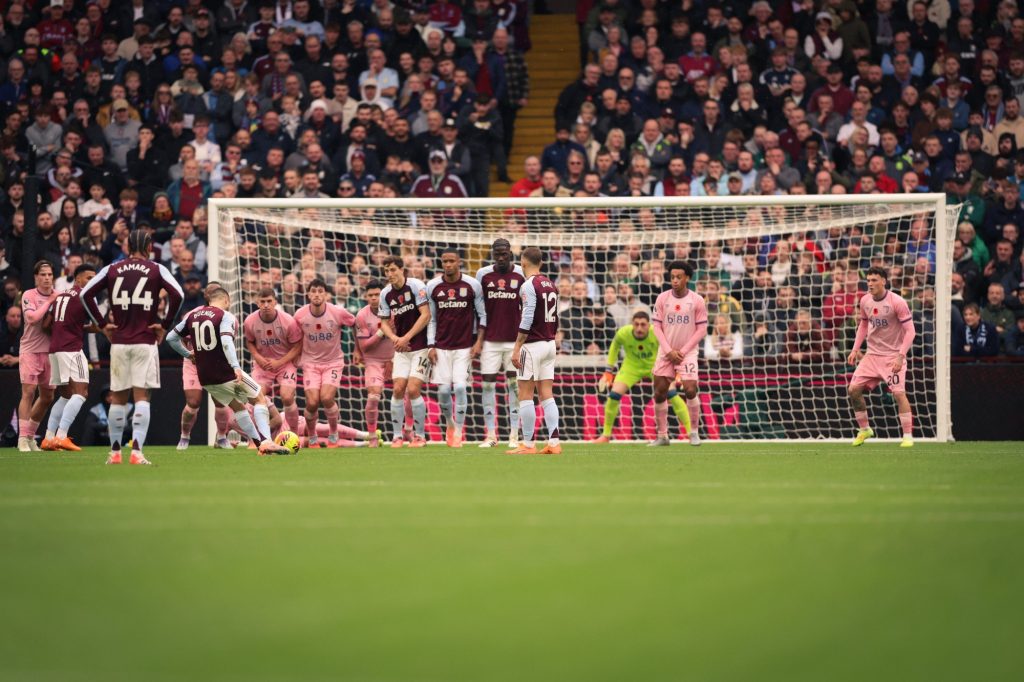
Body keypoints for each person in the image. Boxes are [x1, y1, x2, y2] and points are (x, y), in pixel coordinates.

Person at [81, 230, 184, 465]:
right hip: (145, 341)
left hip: (119, 342)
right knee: (142, 398)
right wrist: (164, 325)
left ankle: (115, 453)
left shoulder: (112, 268)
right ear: (148, 247)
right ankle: (136, 452)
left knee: (118, 398)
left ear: (128, 247)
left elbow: (86, 294)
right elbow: (178, 294)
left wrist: (102, 325)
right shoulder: (156, 269)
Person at [166, 287, 290, 456]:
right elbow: (226, 342)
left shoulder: (193, 316)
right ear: (226, 300)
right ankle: (267, 441)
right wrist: (235, 366)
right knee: (259, 399)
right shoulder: (225, 316)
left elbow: (171, 338)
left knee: (238, 407)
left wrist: (188, 354)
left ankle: (259, 444)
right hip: (226, 372)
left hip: (206, 378)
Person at [593, 310, 692, 443]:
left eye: (643, 324)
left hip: (655, 366)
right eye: (636, 324)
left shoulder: (657, 333)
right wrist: (608, 371)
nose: (639, 328)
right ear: (632, 324)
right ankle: (606, 435)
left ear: (649, 325)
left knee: (672, 394)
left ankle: (691, 432)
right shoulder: (623, 333)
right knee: (613, 395)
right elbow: (614, 347)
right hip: (631, 367)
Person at [846, 266, 917, 448]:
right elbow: (863, 325)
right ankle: (865, 429)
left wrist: (900, 356)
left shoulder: (897, 302)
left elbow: (911, 331)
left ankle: (907, 436)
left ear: (884, 281)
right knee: (853, 390)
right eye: (868, 280)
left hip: (893, 356)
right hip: (872, 355)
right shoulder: (865, 301)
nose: (870, 284)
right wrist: (855, 349)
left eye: (874, 280)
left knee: (899, 394)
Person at [426, 249, 486, 448]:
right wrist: (431, 345)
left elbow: (482, 315)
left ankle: (459, 432)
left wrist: (478, 342)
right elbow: (431, 319)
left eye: (451, 261)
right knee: (443, 391)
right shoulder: (433, 286)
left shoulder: (472, 285)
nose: (448, 264)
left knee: (460, 387)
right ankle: (450, 425)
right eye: (445, 261)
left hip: (464, 347)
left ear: (459, 262)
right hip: (441, 347)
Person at [40, 263, 99, 451]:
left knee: (65, 396)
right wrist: (81, 328)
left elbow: (46, 324)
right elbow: (98, 326)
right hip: (72, 349)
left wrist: (64, 329)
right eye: (89, 278)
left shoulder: (60, 296)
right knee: (81, 393)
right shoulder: (86, 297)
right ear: (78, 278)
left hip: (55, 349)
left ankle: (48, 438)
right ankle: (62, 436)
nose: (92, 281)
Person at [508, 246, 561, 455]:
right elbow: (555, 317)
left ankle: (529, 444)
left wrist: (517, 347)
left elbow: (527, 317)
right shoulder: (550, 284)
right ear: (541, 263)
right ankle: (554, 443)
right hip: (549, 344)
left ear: (522, 263)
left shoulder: (528, 285)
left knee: (525, 394)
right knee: (546, 393)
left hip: (532, 346)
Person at [293, 278, 357, 448]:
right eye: (313, 291)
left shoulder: (338, 312)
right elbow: (294, 336)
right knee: (312, 402)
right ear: (308, 294)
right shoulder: (300, 315)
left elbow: (355, 324)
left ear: (326, 295)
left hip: (333, 362)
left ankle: (334, 433)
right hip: (310, 363)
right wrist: (294, 357)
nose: (317, 295)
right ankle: (312, 435)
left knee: (327, 398)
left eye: (320, 291)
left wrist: (357, 349)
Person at [650, 261, 707, 447]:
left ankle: (694, 433)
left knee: (690, 389)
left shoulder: (697, 300)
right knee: (660, 393)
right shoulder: (662, 298)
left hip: (687, 353)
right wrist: (668, 351)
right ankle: (662, 436)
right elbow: (656, 327)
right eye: (672, 277)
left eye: (679, 277)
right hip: (666, 352)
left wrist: (681, 351)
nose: (675, 280)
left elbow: (701, 330)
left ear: (687, 278)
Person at [379, 255, 432, 447]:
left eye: (393, 269)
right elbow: (384, 323)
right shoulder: (385, 293)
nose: (390, 274)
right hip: (402, 348)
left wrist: (406, 337)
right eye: (386, 271)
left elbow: (426, 315)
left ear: (402, 270)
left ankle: (420, 436)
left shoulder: (416, 286)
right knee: (398, 388)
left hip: (420, 347)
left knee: (413, 388)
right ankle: (397, 436)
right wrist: (395, 339)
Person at [179, 281, 236, 449]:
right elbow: (179, 338)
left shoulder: (228, 318)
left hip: (215, 363)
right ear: (205, 295)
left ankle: (221, 437)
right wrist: (188, 353)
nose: (213, 293)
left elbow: (228, 343)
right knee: (193, 402)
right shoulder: (191, 315)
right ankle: (184, 436)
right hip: (194, 364)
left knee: (220, 402)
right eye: (210, 291)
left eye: (216, 291)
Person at [244, 288, 303, 435]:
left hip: (285, 363)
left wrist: (279, 362)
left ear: (275, 302)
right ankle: (257, 437)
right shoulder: (250, 321)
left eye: (269, 301)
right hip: (263, 365)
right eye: (262, 301)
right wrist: (257, 357)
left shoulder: (288, 321)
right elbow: (249, 341)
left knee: (287, 397)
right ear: (257, 303)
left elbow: (298, 346)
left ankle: (294, 433)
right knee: (255, 396)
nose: (266, 305)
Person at [17, 261, 59, 451]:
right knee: (28, 392)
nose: (47, 278)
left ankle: (30, 437)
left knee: (48, 396)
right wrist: (50, 301)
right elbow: (32, 319)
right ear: (36, 277)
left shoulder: (59, 295)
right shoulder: (29, 295)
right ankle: (22, 439)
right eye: (43, 274)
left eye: (49, 274)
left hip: (51, 352)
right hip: (30, 350)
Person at [353, 279, 393, 446]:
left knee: (406, 394)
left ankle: (407, 433)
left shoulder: (395, 311)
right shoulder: (362, 315)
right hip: (373, 360)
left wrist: (393, 359)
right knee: (373, 397)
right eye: (370, 295)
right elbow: (364, 346)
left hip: (395, 358)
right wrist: (382, 331)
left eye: (377, 294)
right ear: (366, 297)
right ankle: (372, 436)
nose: (374, 298)